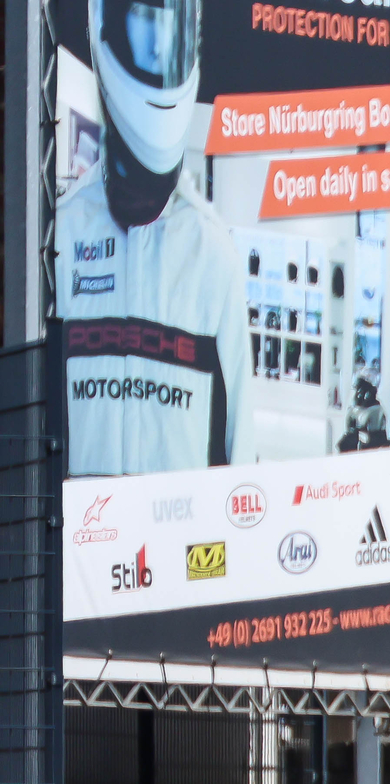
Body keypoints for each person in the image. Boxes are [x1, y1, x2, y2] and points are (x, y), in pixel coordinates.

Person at [58, 0, 247, 475]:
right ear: (105, 26)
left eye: (174, 26)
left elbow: (239, 451)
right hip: (79, 544)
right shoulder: (62, 236)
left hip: (177, 546)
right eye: (145, 17)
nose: (162, 44)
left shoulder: (211, 253)